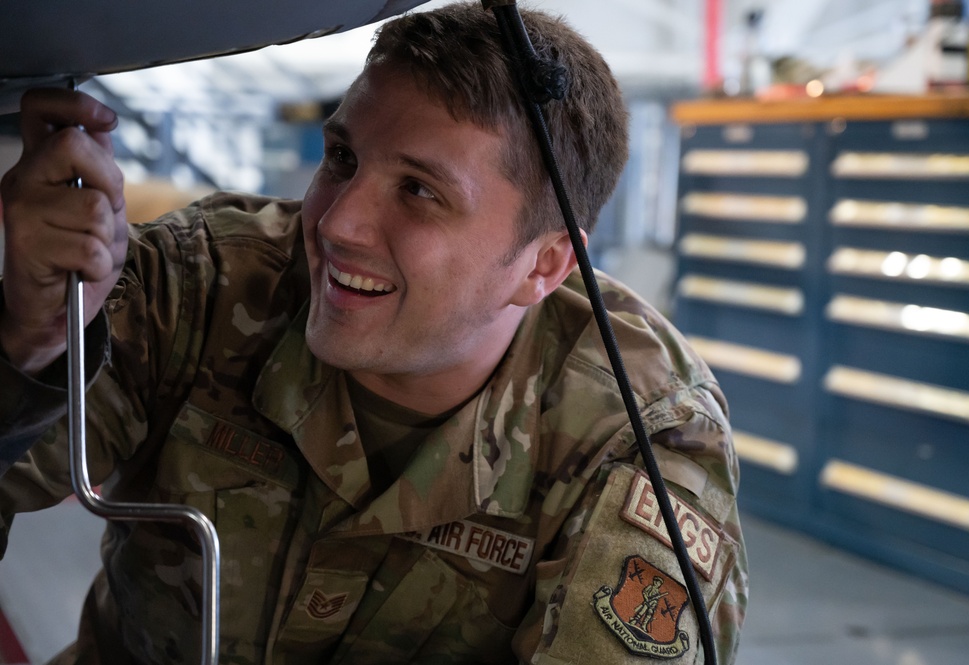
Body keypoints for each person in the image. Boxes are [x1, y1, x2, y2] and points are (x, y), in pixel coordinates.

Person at [0, 3, 748, 664]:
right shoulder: (206, 283)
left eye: (419, 191)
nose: (334, 222)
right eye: (341, 159)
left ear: (544, 265)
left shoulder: (635, 434)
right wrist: (26, 343)